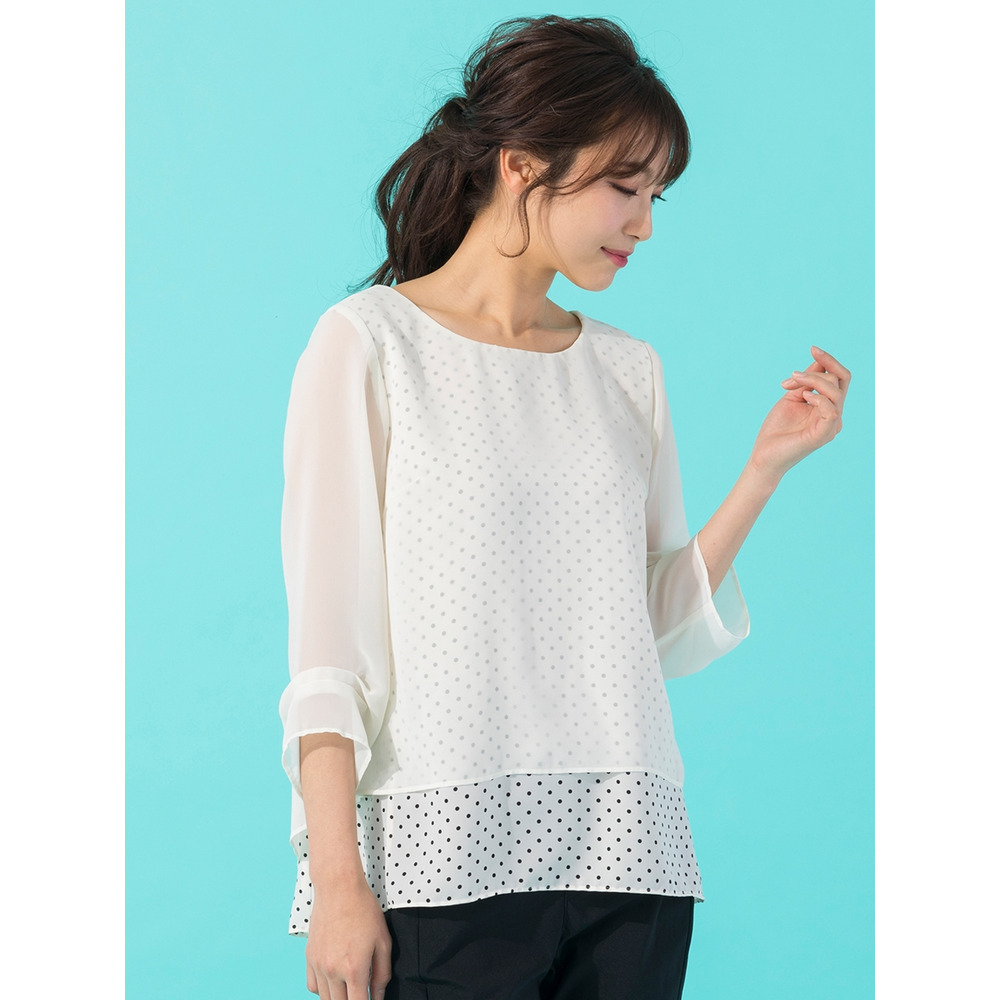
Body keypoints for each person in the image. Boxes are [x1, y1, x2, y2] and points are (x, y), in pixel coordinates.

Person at [278, 14, 849, 1000]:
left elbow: (651, 624)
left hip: (629, 858)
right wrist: (337, 883)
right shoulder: (370, 344)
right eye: (624, 187)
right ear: (521, 165)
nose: (644, 223)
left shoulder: (627, 370)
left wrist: (765, 470)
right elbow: (329, 647)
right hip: (440, 863)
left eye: (656, 195)